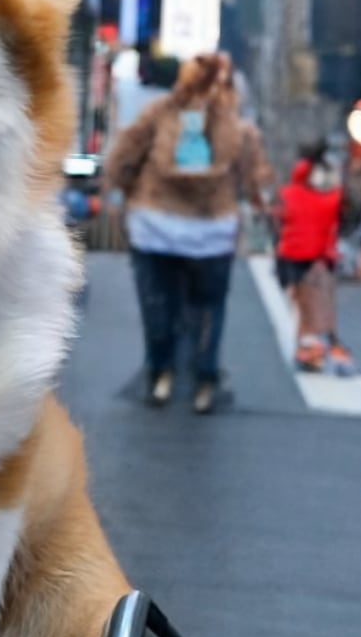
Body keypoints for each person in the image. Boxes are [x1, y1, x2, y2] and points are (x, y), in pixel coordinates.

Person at [103, 51, 273, 413]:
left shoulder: (159, 112)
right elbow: (254, 177)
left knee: (157, 303)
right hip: (213, 230)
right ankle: (204, 379)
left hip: (154, 225)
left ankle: (160, 374)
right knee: (210, 306)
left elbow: (124, 157)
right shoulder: (237, 125)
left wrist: (124, 190)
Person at [274, 138, 355, 375]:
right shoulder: (328, 199)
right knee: (313, 305)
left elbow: (278, 217)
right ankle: (313, 348)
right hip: (312, 259)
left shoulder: (288, 195)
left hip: (293, 258)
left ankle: (308, 348)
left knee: (304, 305)